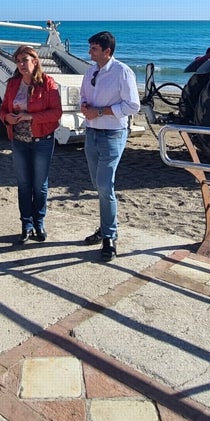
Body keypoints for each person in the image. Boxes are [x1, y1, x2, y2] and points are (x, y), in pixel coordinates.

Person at [78, 31, 140, 261]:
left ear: (107, 51)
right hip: (92, 133)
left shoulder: (122, 72)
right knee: (98, 184)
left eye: (93, 49)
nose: (89, 52)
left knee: (105, 185)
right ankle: (105, 227)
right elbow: (83, 96)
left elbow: (133, 105)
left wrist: (101, 111)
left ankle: (109, 237)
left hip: (113, 134)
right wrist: (84, 106)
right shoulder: (90, 71)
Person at [0, 45, 62, 245]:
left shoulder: (48, 83)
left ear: (35, 61)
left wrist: (30, 116)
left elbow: (56, 113)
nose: (20, 64)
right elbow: (2, 110)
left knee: (39, 185)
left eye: (24, 60)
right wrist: (6, 118)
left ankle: (39, 222)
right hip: (19, 141)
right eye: (18, 61)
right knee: (24, 184)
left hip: (42, 140)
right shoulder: (12, 84)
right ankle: (26, 224)